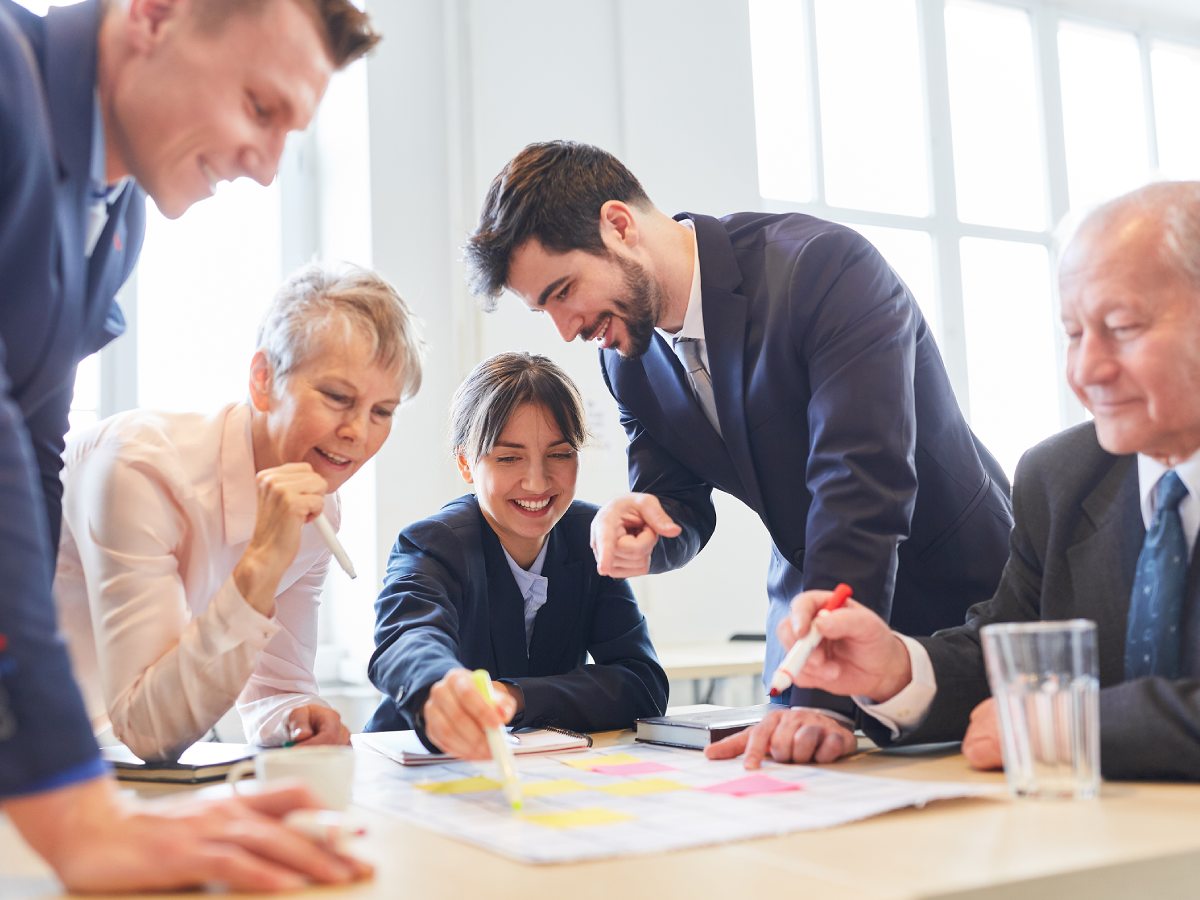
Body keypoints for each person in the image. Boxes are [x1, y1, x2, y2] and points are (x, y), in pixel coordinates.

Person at [464, 140, 1013, 762]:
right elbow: (679, 506)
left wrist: (821, 698)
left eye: (563, 292)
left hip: (958, 607)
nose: (566, 329)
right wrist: (649, 530)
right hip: (807, 629)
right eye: (545, 311)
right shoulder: (630, 362)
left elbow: (858, 483)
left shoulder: (822, 269)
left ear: (619, 227)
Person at [0, 0, 382, 890]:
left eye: (293, 131)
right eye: (259, 107)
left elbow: (29, 457)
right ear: (154, 15)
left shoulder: (118, 215)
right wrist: (74, 805)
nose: (267, 165)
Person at [711, 182, 1200, 780]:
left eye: (1122, 326)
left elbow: (1044, 711)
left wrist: (1066, 724)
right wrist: (894, 668)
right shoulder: (1061, 477)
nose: (1087, 369)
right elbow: (1001, 652)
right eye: (1073, 334)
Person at [56, 263, 422, 762]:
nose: (359, 432)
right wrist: (262, 563)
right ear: (263, 380)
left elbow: (275, 688)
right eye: (338, 398)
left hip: (97, 765)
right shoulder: (139, 468)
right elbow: (147, 730)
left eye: (383, 412)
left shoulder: (319, 515)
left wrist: (295, 718)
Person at [364, 352, 667, 758]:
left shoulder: (589, 536)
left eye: (559, 454)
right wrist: (443, 685)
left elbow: (642, 684)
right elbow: (407, 637)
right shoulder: (435, 542)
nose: (537, 481)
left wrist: (514, 696)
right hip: (418, 766)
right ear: (465, 464)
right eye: (508, 458)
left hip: (537, 773)